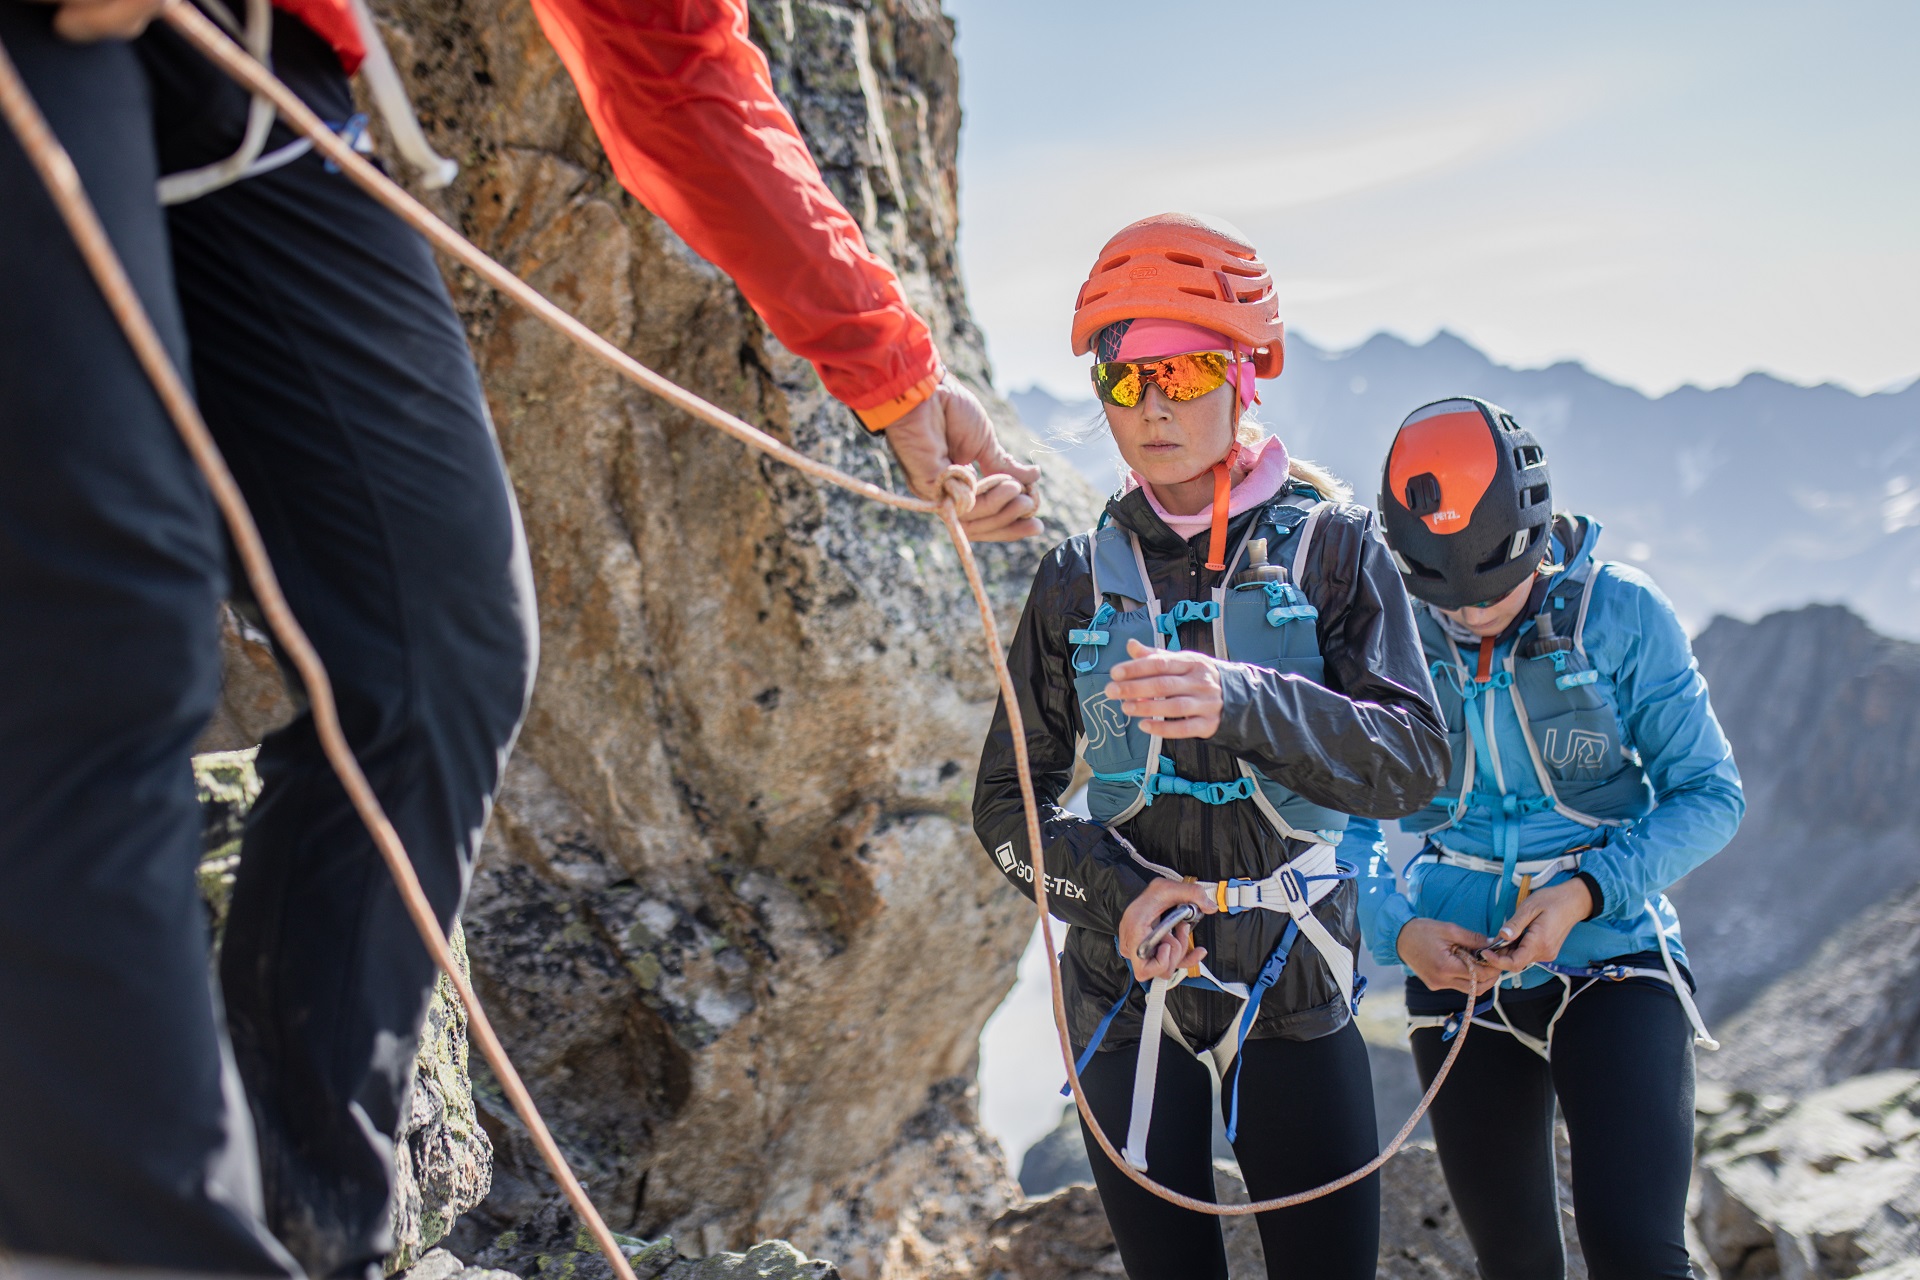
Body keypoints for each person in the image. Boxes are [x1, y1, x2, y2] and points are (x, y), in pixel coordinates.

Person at [0, 0, 1038, 1273]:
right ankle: (129, 1239)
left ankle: (317, 1221)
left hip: (265, 77)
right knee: (103, 615)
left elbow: (665, 46)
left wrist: (895, 373)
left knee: (441, 642)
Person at [973, 212, 1449, 1280]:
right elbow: (1007, 806)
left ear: (1245, 374)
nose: (1152, 406)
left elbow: (1417, 761)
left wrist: (1244, 699)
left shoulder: (1334, 548)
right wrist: (1113, 894)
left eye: (1184, 370)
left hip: (1294, 977)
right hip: (1120, 983)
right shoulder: (1071, 579)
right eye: (1122, 375)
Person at [1347, 396, 1744, 1280]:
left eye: (1492, 591)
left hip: (1613, 953)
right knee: (1516, 1264)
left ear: (1532, 537)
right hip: (1455, 967)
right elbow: (1342, 819)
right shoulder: (1388, 625)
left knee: (1637, 1254)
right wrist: (1398, 930)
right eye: (1444, 599)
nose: (1472, 619)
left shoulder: (1623, 613)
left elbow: (1710, 794)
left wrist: (1584, 893)